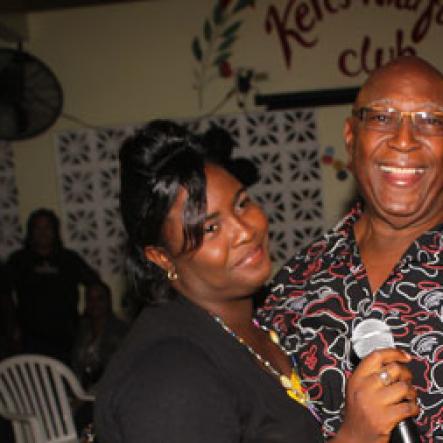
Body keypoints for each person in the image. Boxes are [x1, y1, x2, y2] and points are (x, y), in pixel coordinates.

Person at [95, 120, 417, 443]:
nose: (245, 231)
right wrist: (353, 437)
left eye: (241, 203)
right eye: (210, 228)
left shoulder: (258, 324)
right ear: (161, 257)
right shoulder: (169, 373)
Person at [257, 55, 443, 441]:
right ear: (350, 137)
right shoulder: (293, 284)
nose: (404, 139)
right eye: (381, 117)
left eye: (431, 120)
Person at [6, 208, 100, 365]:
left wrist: (87, 317)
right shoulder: (18, 260)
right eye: (38, 228)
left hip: (67, 335)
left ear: (55, 231)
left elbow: (94, 283)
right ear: (31, 231)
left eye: (47, 227)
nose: (43, 232)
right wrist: (11, 326)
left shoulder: (68, 259)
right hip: (30, 337)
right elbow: (4, 293)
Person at [72, 281, 128, 391]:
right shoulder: (82, 329)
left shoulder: (120, 331)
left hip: (109, 391)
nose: (94, 303)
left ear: (108, 301)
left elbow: (116, 372)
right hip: (81, 390)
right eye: (90, 299)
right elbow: (75, 365)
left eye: (99, 299)